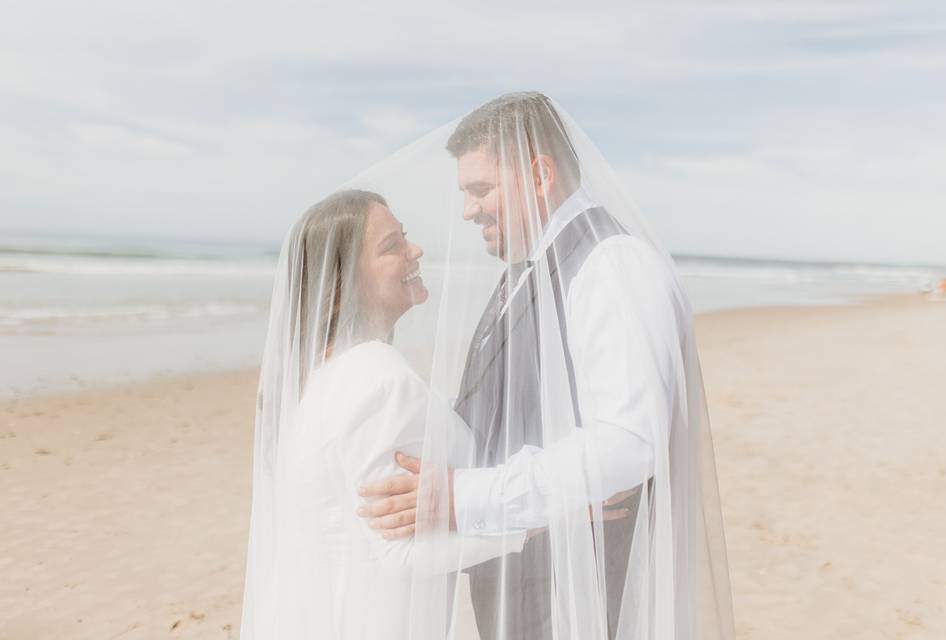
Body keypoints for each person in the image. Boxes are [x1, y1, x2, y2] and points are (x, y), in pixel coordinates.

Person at [357, 92, 735, 639]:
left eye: (480, 189)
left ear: (539, 175)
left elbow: (630, 440)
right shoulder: (527, 271)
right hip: (528, 589)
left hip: (580, 603)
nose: (467, 209)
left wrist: (463, 497)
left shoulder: (612, 265)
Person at [238, 190, 531, 639]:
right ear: (340, 287)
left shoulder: (317, 375)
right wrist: (539, 516)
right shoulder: (379, 379)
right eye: (391, 247)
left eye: (405, 237)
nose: (415, 251)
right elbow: (400, 554)